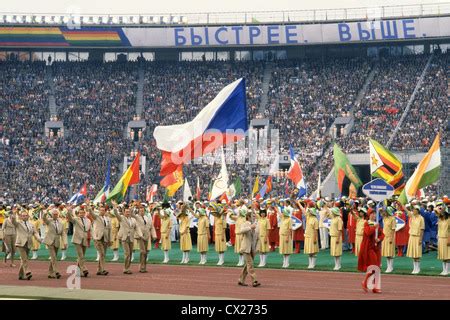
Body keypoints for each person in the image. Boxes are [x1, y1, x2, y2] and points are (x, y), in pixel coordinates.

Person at [111, 202, 142, 274]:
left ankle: (128, 267)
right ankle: (126, 268)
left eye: (129, 211)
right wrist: (115, 207)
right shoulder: (122, 218)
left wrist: (140, 235)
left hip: (131, 238)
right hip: (124, 238)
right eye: (126, 212)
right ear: (124, 212)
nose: (128, 213)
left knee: (130, 254)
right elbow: (116, 213)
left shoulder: (133, 220)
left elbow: (137, 228)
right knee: (127, 253)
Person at [358, 209, 385, 293]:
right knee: (374, 267)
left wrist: (379, 239)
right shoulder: (366, 223)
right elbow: (368, 232)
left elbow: (382, 234)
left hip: (376, 248)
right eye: (372, 214)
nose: (373, 215)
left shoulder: (376, 224)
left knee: (377, 268)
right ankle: (366, 283)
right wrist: (374, 227)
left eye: (374, 214)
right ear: (369, 215)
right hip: (369, 248)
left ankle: (374, 286)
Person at [11, 210, 42, 280]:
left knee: (23, 259)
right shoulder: (18, 223)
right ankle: (27, 272)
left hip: (28, 243)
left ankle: (20, 275)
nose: (24, 217)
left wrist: (39, 239)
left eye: (26, 215)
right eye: (23, 216)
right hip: (20, 243)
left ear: (28, 216)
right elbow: (13, 221)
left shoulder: (31, 224)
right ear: (21, 217)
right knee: (24, 259)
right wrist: (13, 214)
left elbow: (35, 232)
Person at [236, 209, 261, 287]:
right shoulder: (245, 224)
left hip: (252, 248)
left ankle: (241, 279)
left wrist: (257, 248)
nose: (254, 218)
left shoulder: (256, 225)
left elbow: (257, 237)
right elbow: (240, 231)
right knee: (250, 264)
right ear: (248, 217)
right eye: (252, 216)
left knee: (247, 265)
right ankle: (254, 280)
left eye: (254, 216)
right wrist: (250, 227)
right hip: (246, 247)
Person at [131, 203, 156, 273]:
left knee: (145, 252)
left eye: (142, 211)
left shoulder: (147, 217)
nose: (141, 212)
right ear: (138, 211)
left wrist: (154, 235)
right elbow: (131, 214)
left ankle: (143, 267)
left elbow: (151, 227)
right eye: (140, 210)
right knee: (143, 251)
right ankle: (142, 267)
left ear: (144, 211)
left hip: (146, 236)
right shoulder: (136, 216)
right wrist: (133, 206)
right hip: (140, 236)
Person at [67, 204, 91, 277]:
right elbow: (70, 218)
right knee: (80, 255)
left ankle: (77, 271)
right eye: (80, 213)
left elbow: (89, 229)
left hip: (84, 239)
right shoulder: (76, 219)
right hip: (77, 239)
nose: (81, 214)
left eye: (83, 213)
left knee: (82, 255)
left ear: (85, 213)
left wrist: (91, 236)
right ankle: (84, 269)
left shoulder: (88, 220)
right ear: (78, 213)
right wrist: (69, 211)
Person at [88, 203, 112, 276]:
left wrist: (109, 239)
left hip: (105, 238)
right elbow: (91, 213)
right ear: (99, 211)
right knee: (102, 253)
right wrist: (88, 206)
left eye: (103, 210)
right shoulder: (96, 217)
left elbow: (109, 229)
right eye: (101, 210)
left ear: (105, 211)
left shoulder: (107, 219)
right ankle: (103, 269)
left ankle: (99, 270)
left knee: (103, 254)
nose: (102, 211)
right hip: (97, 238)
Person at [42, 208, 63, 279]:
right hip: (50, 240)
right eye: (54, 214)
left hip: (57, 241)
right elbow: (44, 218)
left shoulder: (60, 222)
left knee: (54, 257)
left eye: (56, 214)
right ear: (52, 215)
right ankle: (56, 271)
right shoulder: (49, 221)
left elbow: (62, 232)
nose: (55, 215)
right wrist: (45, 213)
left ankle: (50, 272)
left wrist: (65, 242)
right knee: (53, 256)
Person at [406, 204, 425, 274]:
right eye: (413, 209)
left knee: (417, 254)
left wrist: (420, 239)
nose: (413, 211)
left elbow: (422, 229)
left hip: (417, 237)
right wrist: (402, 204)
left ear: (417, 210)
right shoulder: (412, 217)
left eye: (414, 209)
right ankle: (414, 268)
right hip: (412, 236)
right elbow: (406, 210)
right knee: (413, 254)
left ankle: (418, 268)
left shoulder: (421, 218)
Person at [434, 201, 449, 276]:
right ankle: (444, 270)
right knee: (442, 255)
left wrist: (449, 239)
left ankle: (447, 270)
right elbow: (435, 211)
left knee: (447, 255)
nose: (441, 214)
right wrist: (439, 207)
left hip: (447, 238)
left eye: (443, 213)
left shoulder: (448, 220)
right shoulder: (440, 220)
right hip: (440, 238)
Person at [381, 206, 396, 273]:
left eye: (386, 211)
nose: (384, 212)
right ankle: (388, 266)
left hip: (390, 237)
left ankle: (390, 267)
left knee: (390, 253)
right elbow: (381, 212)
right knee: (387, 253)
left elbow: (393, 229)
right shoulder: (385, 218)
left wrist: (391, 238)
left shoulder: (393, 219)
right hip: (385, 237)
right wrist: (382, 208)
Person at [278, 203, 293, 268]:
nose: (282, 213)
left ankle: (287, 262)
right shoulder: (283, 218)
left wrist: (287, 237)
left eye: (284, 212)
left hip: (286, 236)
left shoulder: (289, 219)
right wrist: (276, 207)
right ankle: (284, 261)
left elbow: (290, 229)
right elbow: (279, 213)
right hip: (281, 236)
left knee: (287, 250)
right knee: (283, 250)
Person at [255, 202, 269, 267]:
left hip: (264, 236)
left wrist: (266, 237)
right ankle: (261, 261)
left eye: (263, 213)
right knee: (260, 250)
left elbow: (268, 229)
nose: (262, 214)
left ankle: (264, 261)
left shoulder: (267, 220)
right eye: (261, 213)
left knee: (264, 250)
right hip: (259, 236)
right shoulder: (259, 219)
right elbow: (255, 213)